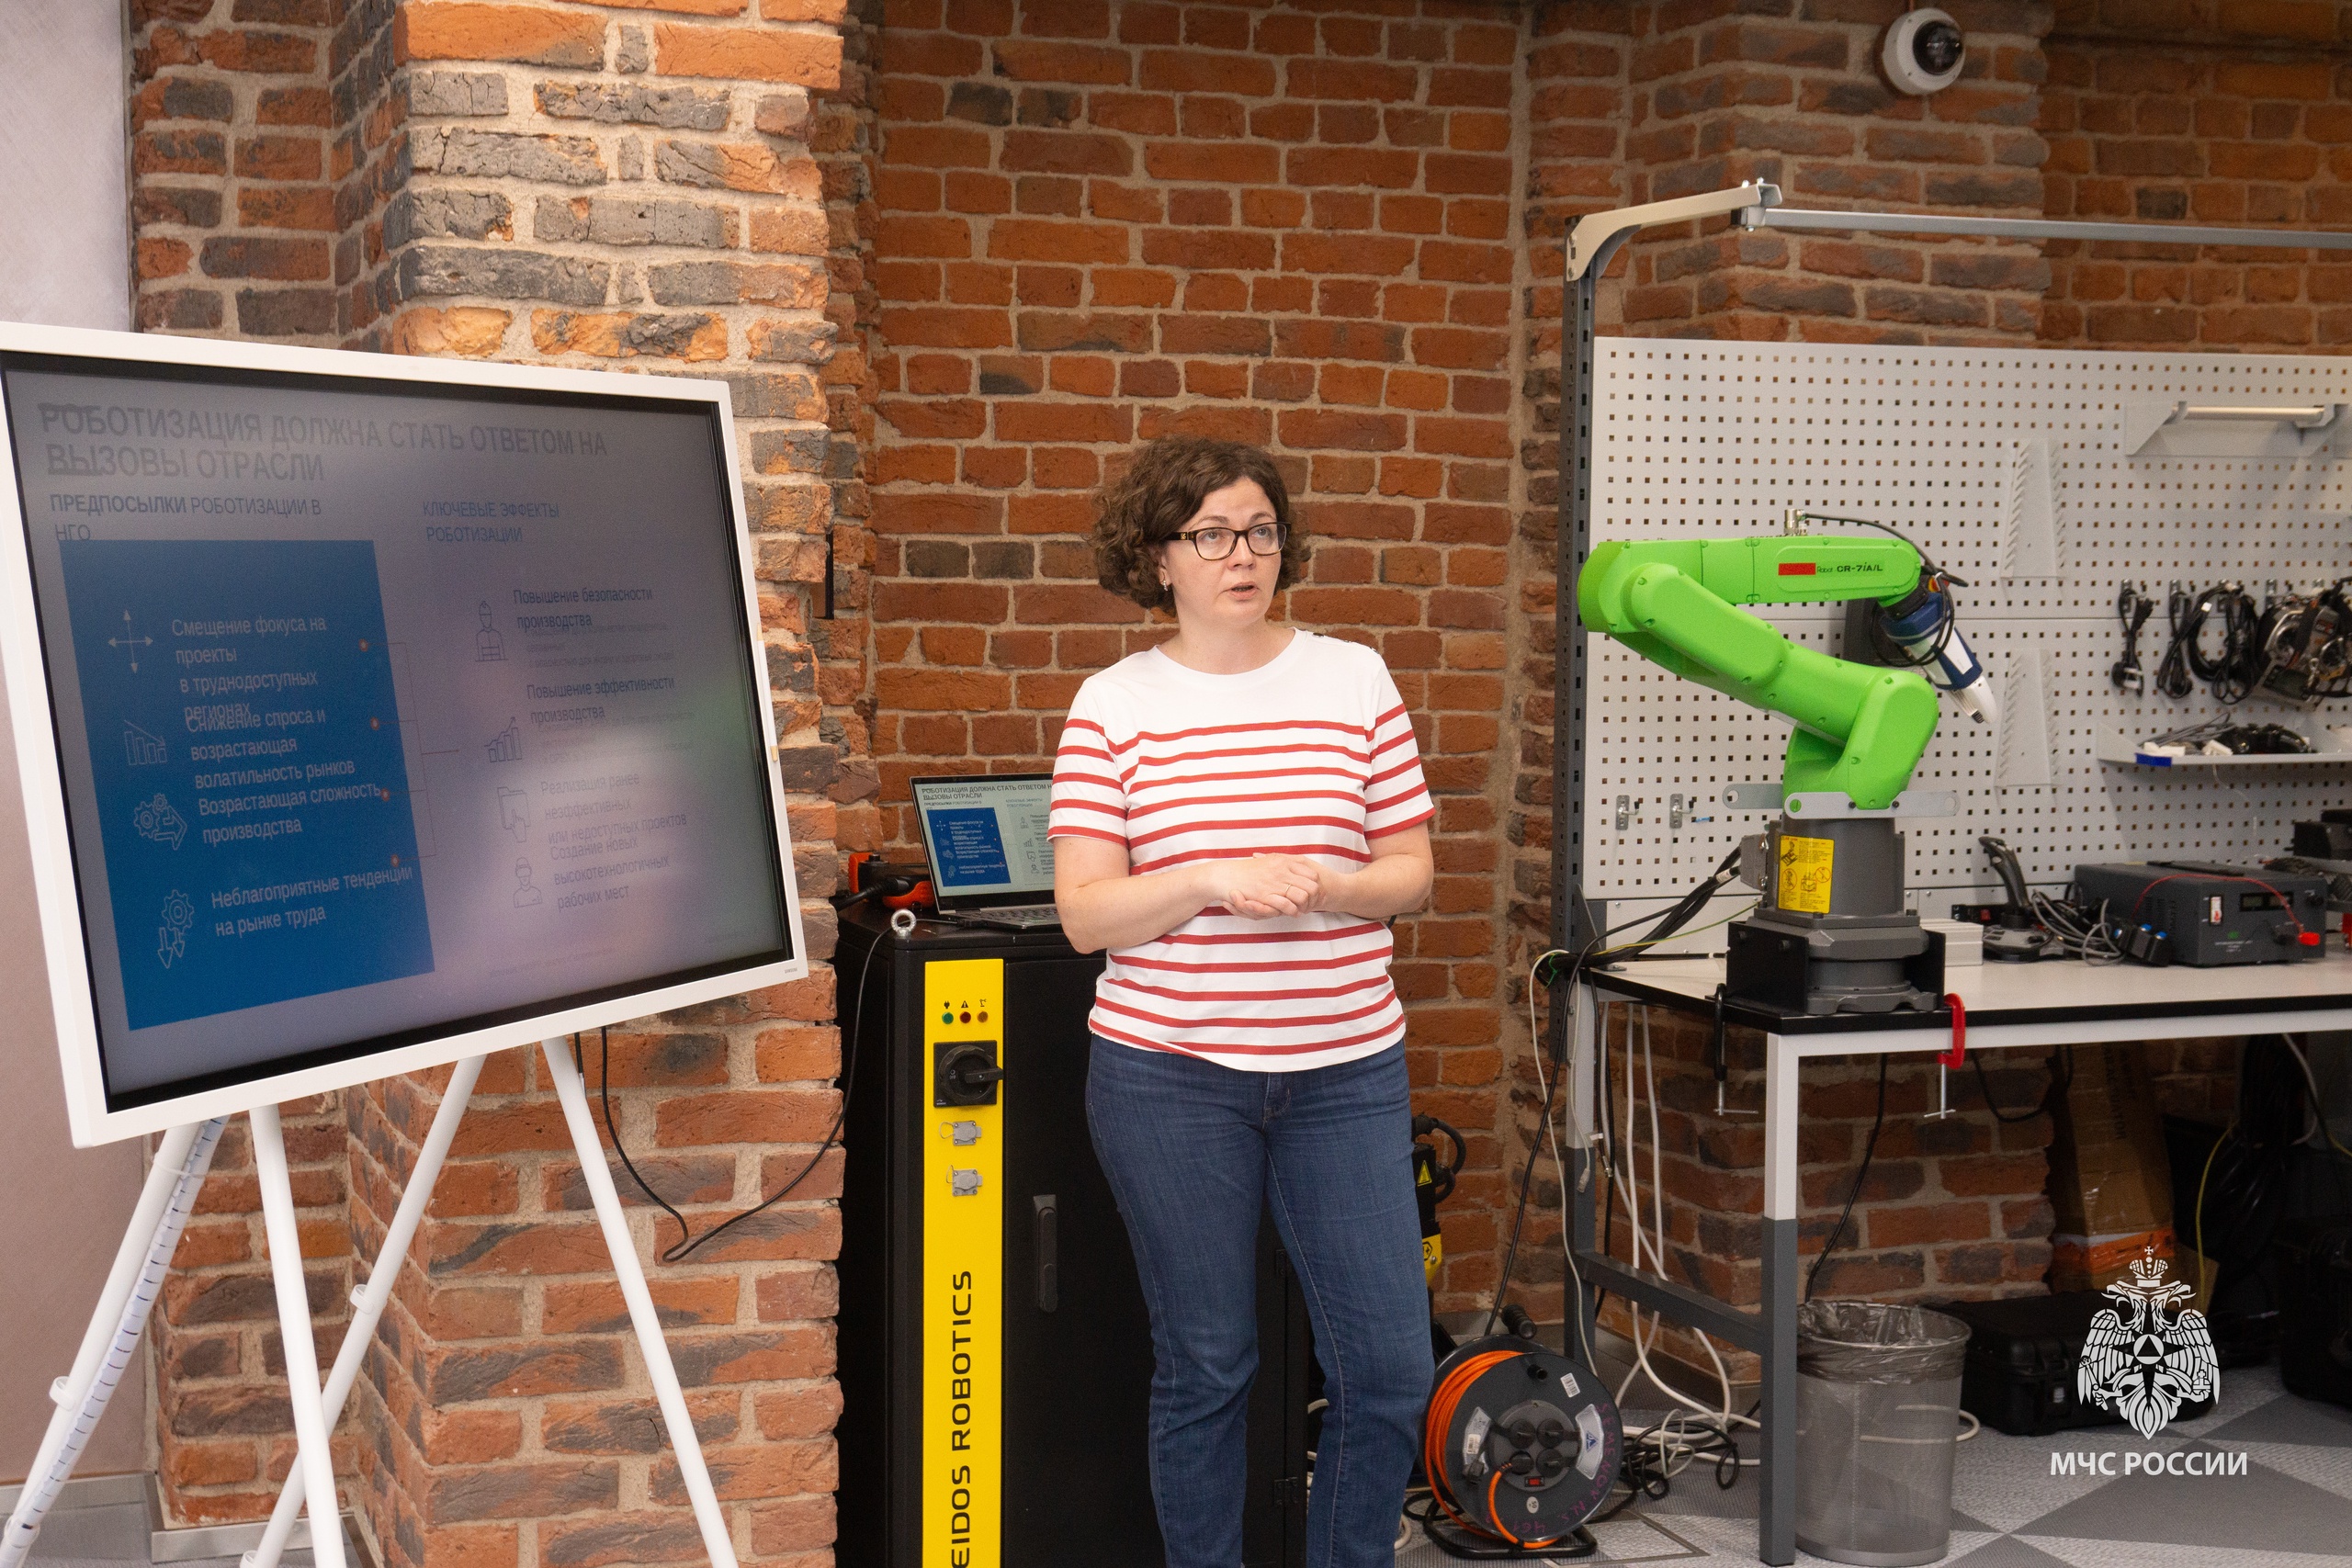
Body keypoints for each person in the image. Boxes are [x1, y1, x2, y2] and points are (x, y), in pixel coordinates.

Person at [1049, 435, 1436, 1568]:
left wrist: (1330, 885)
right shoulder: (1114, 704)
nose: (1242, 555)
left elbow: (1411, 874)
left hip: (1345, 1074)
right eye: (1211, 534)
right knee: (1210, 1365)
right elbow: (1086, 914)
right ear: (1157, 557)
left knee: (1388, 1371)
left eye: (1260, 531)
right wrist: (1214, 879)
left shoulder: (1353, 677)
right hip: (1170, 1081)